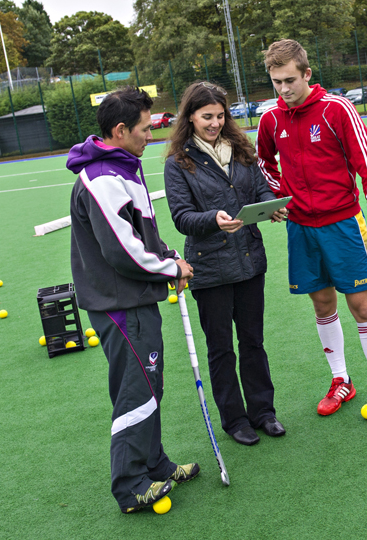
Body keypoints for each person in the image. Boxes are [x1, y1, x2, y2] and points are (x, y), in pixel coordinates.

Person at [256, 40, 367, 430]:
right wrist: (276, 198)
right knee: (322, 305)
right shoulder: (271, 120)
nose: (283, 89)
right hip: (301, 228)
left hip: (343, 224)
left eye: (289, 80)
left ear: (307, 74)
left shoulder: (337, 109)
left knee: (362, 307)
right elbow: (263, 164)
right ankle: (342, 380)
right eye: (276, 82)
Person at [68, 86, 200, 514]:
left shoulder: (125, 167)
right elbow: (121, 251)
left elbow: (142, 231)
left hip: (136, 297)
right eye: (145, 129)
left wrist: (170, 256)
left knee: (150, 384)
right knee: (136, 390)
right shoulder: (103, 177)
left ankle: (154, 464)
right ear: (120, 130)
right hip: (119, 303)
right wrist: (169, 270)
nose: (151, 135)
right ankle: (130, 487)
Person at [163, 81, 287, 446]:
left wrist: (271, 205)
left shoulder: (241, 149)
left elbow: (259, 190)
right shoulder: (178, 163)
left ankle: (264, 412)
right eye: (206, 117)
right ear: (190, 117)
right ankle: (235, 420)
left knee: (253, 341)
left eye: (220, 115)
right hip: (210, 268)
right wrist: (212, 219)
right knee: (221, 349)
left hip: (249, 261)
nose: (215, 123)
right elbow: (181, 217)